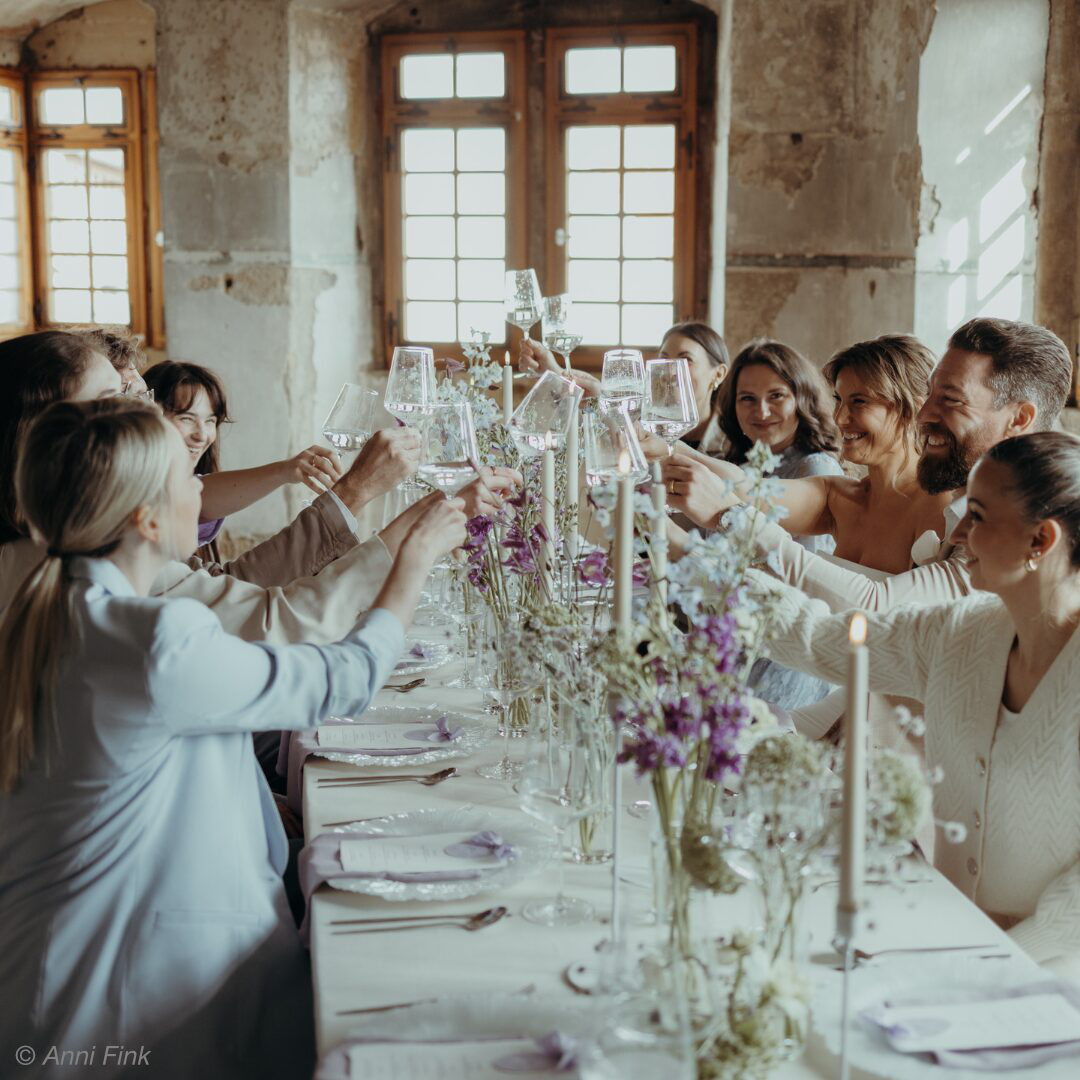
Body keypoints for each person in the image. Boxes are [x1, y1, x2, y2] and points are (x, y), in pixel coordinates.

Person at [0, 398, 466, 1076]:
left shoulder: (53, 607)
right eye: (187, 478)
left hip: (52, 973)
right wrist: (413, 561)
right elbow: (344, 679)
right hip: (132, 997)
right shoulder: (152, 640)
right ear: (146, 519)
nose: (201, 489)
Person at [754, 431, 1080, 977]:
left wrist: (986, 965)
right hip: (931, 936)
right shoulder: (959, 632)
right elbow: (820, 639)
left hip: (1042, 981)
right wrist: (697, 566)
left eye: (977, 515)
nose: (958, 532)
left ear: (1040, 540)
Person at [0, 331, 518, 645]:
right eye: (116, 401)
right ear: (49, 438)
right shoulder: (94, 574)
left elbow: (226, 587)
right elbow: (287, 630)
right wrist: (418, 538)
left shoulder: (65, 551)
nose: (144, 417)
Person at [662, 334, 950, 576]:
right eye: (840, 400)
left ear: (913, 410)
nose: (840, 417)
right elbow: (745, 487)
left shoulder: (940, 508)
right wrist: (665, 447)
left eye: (859, 402)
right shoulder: (840, 496)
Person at [704, 339, 843, 710]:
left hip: (788, 664)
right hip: (734, 649)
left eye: (776, 396)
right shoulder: (742, 468)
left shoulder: (815, 469)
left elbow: (811, 589)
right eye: (747, 399)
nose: (761, 411)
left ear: (802, 398)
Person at [144, 361, 342, 560]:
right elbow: (193, 498)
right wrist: (285, 470)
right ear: (146, 418)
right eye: (186, 418)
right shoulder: (142, 489)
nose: (202, 435)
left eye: (210, 421)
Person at [517, 321, 731, 454]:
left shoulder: (734, 439)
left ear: (719, 374)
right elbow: (606, 415)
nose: (669, 371)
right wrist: (553, 372)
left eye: (685, 360)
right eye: (663, 359)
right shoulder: (642, 425)